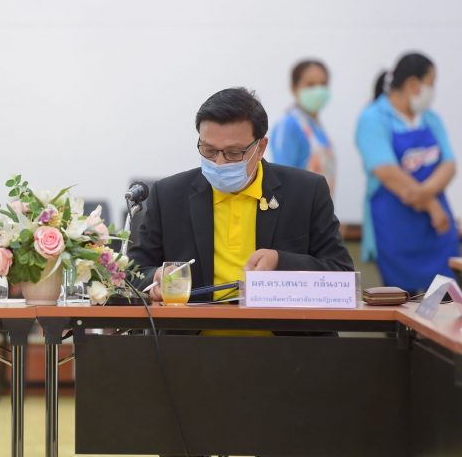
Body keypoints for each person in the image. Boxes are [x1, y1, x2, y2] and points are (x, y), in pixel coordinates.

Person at [130, 87, 353, 303]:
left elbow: (342, 274)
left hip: (278, 327)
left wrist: (281, 261)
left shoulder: (306, 192)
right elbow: (132, 273)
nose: (219, 162)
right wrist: (155, 278)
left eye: (234, 153)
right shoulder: (169, 195)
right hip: (194, 327)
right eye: (209, 150)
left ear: (261, 147)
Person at [355, 52, 458, 292]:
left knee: (445, 300)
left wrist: (424, 193)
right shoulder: (373, 117)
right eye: (431, 83)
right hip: (396, 227)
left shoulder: (431, 119)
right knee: (401, 301)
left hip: (436, 229)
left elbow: (449, 164)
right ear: (413, 84)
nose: (432, 90)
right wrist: (431, 204)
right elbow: (387, 172)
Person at [269, 59, 336, 193]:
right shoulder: (288, 125)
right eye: (310, 85)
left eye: (323, 84)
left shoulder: (317, 128)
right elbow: (282, 178)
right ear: (294, 88)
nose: (318, 90)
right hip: (299, 205)